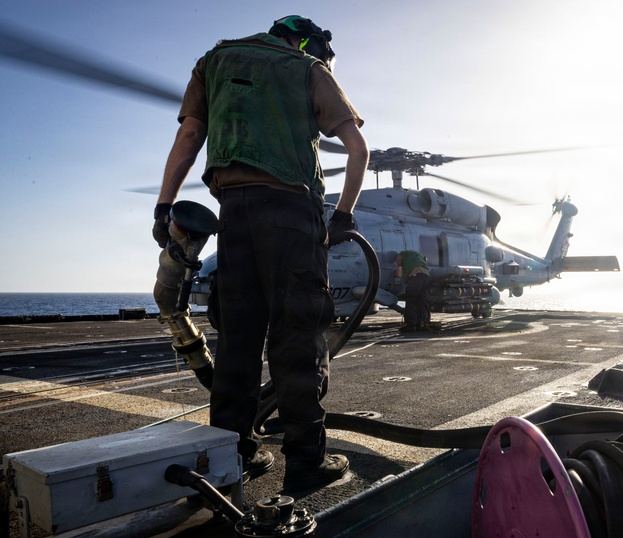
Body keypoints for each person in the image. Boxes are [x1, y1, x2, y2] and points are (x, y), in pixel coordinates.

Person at [152, 15, 369, 493]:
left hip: (233, 214)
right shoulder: (308, 67)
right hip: (293, 214)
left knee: (237, 340)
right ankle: (306, 464)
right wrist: (345, 215)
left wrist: (164, 204)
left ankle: (235, 457)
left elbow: (188, 138)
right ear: (308, 42)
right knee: (298, 337)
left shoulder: (213, 61)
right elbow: (358, 149)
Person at [395, 250, 431, 332]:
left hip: (415, 275)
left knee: (410, 300)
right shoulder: (417, 255)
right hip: (426, 276)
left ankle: (410, 325)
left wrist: (396, 273)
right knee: (420, 301)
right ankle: (421, 323)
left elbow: (400, 274)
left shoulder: (400, 256)